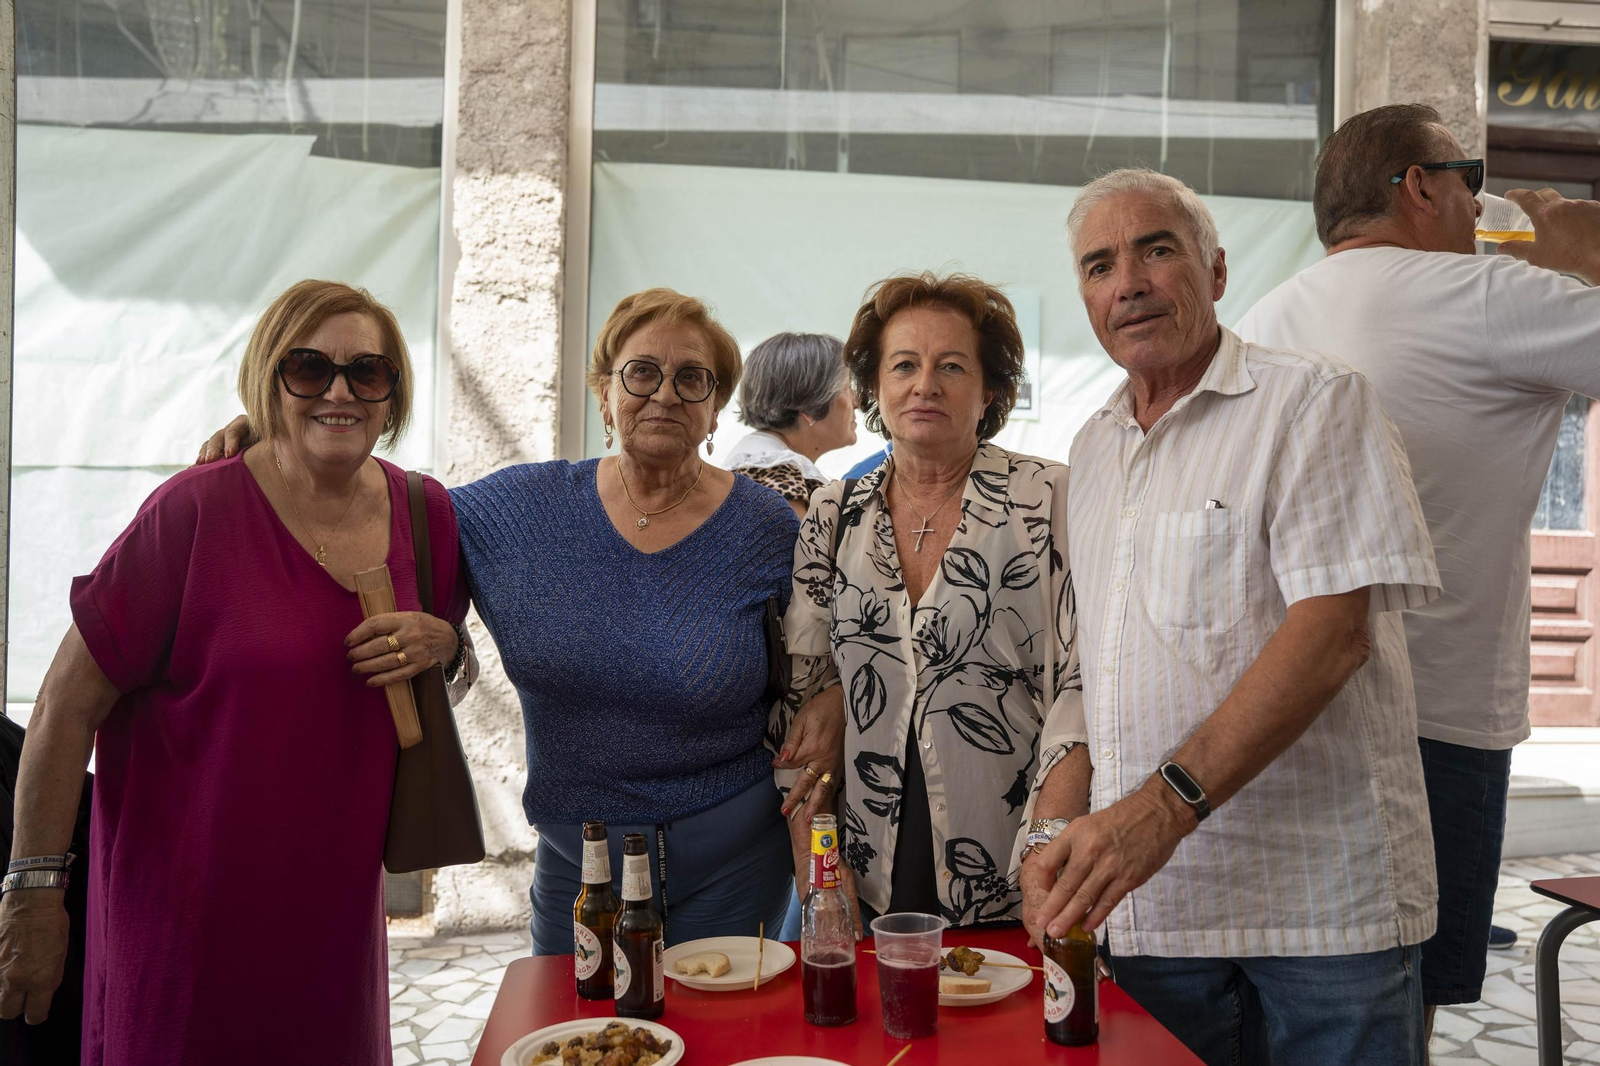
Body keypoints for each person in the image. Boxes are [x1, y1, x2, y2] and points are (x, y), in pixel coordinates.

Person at [196, 289, 833, 954]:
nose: (665, 395)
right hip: (580, 865)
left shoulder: (766, 527)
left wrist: (837, 700)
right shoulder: (520, 511)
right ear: (604, 394)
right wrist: (285, 443)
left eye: (691, 378)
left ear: (715, 406)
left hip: (734, 865)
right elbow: (385, 507)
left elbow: (836, 649)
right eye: (642, 373)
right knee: (569, 1022)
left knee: (720, 1021)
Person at [1027, 169, 1442, 1066]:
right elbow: (1099, 668)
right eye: (1099, 266)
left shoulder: (1314, 401)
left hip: (1320, 914)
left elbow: (1333, 637)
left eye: (1156, 250)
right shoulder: (1092, 450)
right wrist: (1053, 830)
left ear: (1216, 272)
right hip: (1152, 914)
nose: (1128, 283)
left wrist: (1161, 809)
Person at [0, 280, 468, 1064]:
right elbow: (62, 706)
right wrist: (33, 894)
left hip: (334, 935)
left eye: (367, 371)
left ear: (393, 393)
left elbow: (444, 671)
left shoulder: (428, 517)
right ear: (267, 379)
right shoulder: (190, 513)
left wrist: (447, 647)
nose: (340, 391)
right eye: (308, 368)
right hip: (181, 935)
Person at [1234, 103, 1600, 1028]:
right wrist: (1581, 248)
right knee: (1403, 1010)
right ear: (1421, 188)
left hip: (1277, 706)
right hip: (1435, 717)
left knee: (1297, 995)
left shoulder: (1261, 319)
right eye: (1469, 181)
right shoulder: (1488, 296)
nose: (1480, 207)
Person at [778, 271, 1091, 929]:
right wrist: (818, 874)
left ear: (991, 390)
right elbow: (802, 703)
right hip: (868, 869)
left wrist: (1050, 842)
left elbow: (1083, 681)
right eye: (903, 365)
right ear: (874, 388)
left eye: (951, 365)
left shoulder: (1050, 500)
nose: (925, 384)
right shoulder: (834, 514)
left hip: (1018, 865)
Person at [724, 331, 858, 517]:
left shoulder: (766, 463)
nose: (856, 401)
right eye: (847, 388)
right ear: (811, 404)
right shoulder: (772, 472)